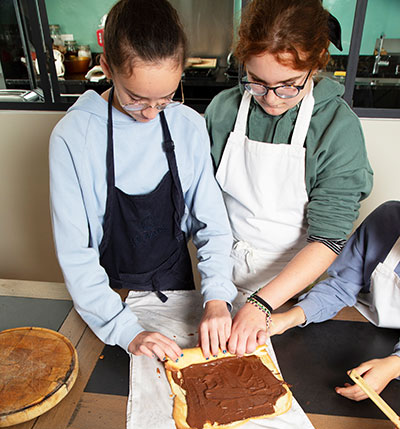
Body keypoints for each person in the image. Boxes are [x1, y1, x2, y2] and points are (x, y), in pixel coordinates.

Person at [49, 0, 236, 362]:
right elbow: (76, 256)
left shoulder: (188, 126)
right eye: (136, 99)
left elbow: (213, 225)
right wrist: (126, 331)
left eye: (165, 99)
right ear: (107, 68)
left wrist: (216, 297)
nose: (150, 114)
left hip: (177, 291)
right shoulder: (73, 137)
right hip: (106, 301)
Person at [204, 0, 373, 356]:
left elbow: (327, 240)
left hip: (294, 292)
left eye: (288, 86)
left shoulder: (336, 130)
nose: (272, 99)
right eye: (257, 83)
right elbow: (205, 210)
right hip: (219, 276)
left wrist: (264, 305)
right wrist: (215, 292)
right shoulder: (223, 111)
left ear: (317, 60)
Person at [269, 201, 400, 401]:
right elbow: (340, 287)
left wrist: (394, 366)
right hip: (360, 330)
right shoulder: (387, 219)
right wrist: (286, 320)